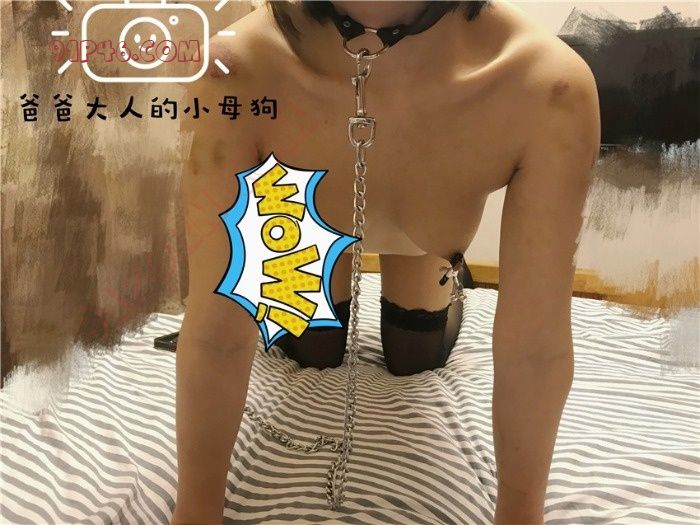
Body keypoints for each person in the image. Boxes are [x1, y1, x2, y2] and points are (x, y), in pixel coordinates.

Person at [171, 1, 600, 523]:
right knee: (312, 347)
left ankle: (440, 277)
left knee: (413, 354)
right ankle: (336, 263)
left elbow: (536, 346)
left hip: (426, 242)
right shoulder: (234, 71)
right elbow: (217, 329)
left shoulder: (548, 88)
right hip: (302, 231)